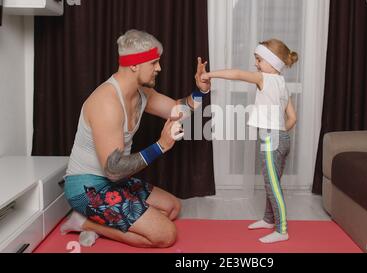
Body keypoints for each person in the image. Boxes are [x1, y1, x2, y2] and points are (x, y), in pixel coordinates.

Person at [60, 29, 211, 248]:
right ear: (134, 65)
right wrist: (160, 146)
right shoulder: (107, 102)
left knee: (172, 207)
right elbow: (113, 169)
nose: (159, 68)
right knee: (166, 235)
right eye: (154, 63)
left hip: (115, 182)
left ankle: (105, 221)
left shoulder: (142, 93)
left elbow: (179, 110)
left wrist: (201, 91)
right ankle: (84, 222)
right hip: (87, 187)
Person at [201, 38, 298, 243]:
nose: (256, 64)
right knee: (272, 183)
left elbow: (237, 74)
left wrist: (209, 74)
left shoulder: (265, 79)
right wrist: (278, 132)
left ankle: (282, 230)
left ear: (273, 63)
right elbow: (293, 118)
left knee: (272, 186)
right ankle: (268, 219)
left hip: (271, 139)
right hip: (281, 137)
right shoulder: (282, 84)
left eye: (259, 60)